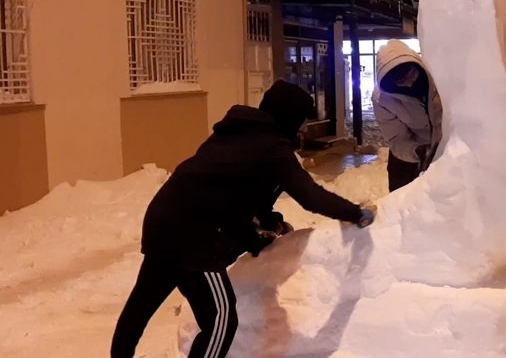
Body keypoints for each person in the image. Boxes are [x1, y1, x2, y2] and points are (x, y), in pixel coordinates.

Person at [111, 81, 376, 358]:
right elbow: (310, 196)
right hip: (194, 236)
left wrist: (258, 232)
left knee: (142, 305)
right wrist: (355, 213)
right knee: (221, 319)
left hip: (162, 220)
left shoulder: (234, 133)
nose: (304, 128)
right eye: (302, 120)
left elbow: (234, 194)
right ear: (288, 117)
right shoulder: (273, 147)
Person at [372, 39, 443, 192]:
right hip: (412, 150)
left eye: (411, 74)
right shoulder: (383, 99)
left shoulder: (439, 79)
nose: (409, 83)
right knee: (401, 195)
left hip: (445, 146)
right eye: (401, 81)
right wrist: (415, 150)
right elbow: (397, 138)